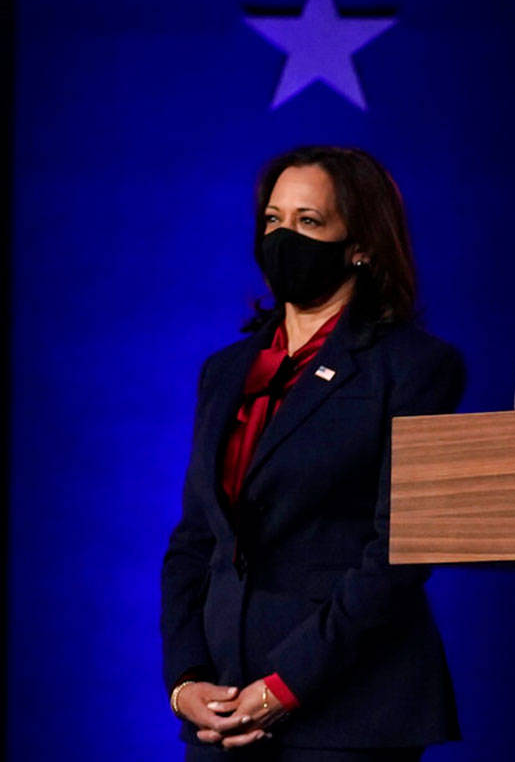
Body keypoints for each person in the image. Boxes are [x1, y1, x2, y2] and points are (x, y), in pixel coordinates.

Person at [161, 146, 464, 760]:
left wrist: (284, 685)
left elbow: (396, 555)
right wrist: (186, 680)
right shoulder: (226, 373)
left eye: (309, 222)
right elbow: (197, 538)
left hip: (347, 709)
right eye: (273, 220)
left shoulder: (413, 367)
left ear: (361, 244)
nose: (283, 238)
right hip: (222, 710)